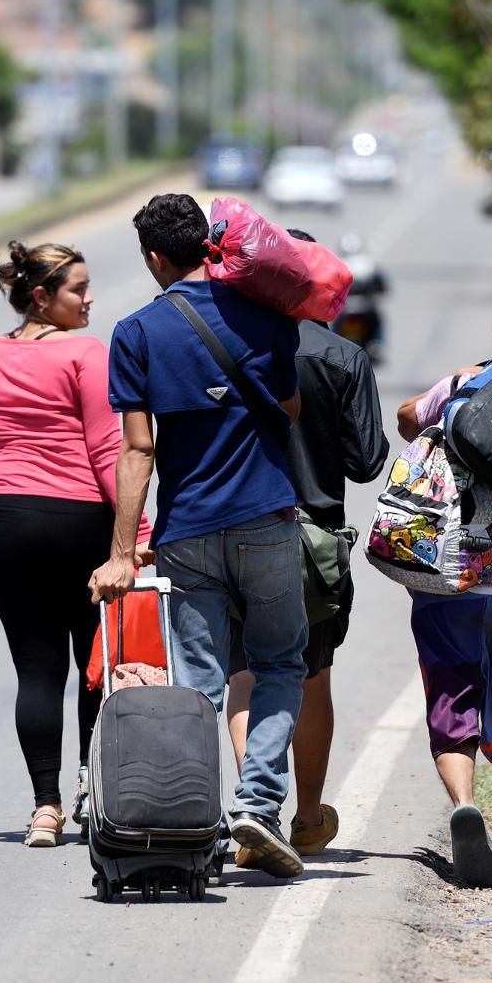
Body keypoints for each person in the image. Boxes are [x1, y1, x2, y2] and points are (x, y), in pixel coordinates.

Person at [89, 193, 310, 879]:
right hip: (266, 518)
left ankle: (196, 822)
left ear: (155, 256)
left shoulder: (136, 332)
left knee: (198, 687)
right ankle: (258, 803)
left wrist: (123, 553)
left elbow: (137, 452)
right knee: (278, 665)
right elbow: (293, 407)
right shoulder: (265, 313)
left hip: (187, 531)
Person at [0, 241, 147, 849]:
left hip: (7, 523)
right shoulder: (87, 354)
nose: (89, 299)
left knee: (36, 671)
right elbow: (103, 451)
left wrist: (13, 471)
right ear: (41, 296)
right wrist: (137, 535)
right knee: (96, 667)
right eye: (77, 290)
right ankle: (91, 791)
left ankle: (44, 807)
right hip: (80, 522)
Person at [224, 229, 390, 866]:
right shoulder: (340, 355)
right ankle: (307, 817)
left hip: (233, 528)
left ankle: (252, 808)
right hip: (313, 545)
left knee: (244, 674)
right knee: (311, 678)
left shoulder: (230, 346)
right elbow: (367, 460)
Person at [392, 310, 492, 888]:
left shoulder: (465, 383)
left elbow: (406, 417)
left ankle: (464, 803)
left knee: (451, 702)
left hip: (445, 578)